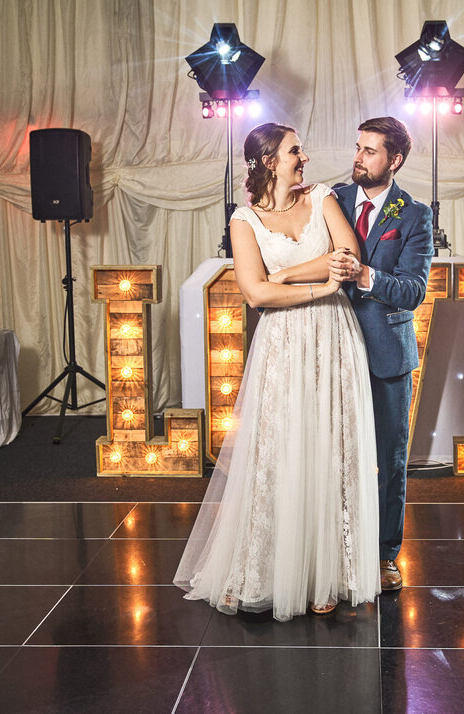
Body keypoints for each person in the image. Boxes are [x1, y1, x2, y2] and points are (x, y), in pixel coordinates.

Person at [174, 123, 380, 621]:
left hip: (333, 336)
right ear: (270, 160)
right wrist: (317, 285)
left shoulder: (324, 197)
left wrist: (286, 274)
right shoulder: (244, 220)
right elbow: (255, 294)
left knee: (330, 446)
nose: (304, 156)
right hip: (283, 344)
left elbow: (348, 256)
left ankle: (327, 571)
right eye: (294, 150)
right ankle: (258, 569)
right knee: (277, 448)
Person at [328, 117, 433, 591]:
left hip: (387, 354)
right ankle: (333, 548)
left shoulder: (414, 215)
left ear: (395, 160)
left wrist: (365, 275)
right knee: (332, 455)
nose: (359, 157)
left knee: (388, 461)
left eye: (371, 151)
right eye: (358, 147)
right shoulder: (332, 200)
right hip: (330, 347)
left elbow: (413, 291)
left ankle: (384, 555)